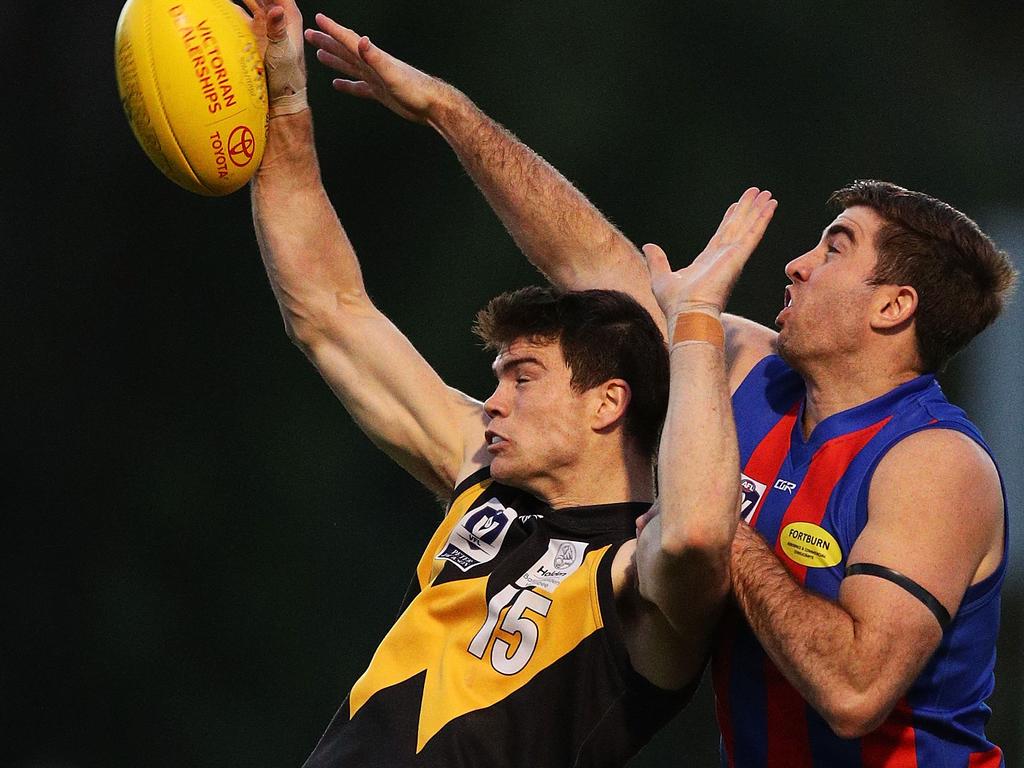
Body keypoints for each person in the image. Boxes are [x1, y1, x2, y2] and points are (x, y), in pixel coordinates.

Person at [305, 15, 1018, 767]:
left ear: (893, 307)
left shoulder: (934, 464)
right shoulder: (753, 377)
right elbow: (587, 257)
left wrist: (710, 522)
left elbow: (852, 691)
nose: (797, 265)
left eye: (834, 248)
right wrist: (448, 112)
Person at [242, 1, 778, 765]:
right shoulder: (484, 482)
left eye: (523, 379)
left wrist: (694, 316)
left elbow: (696, 533)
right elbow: (329, 313)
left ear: (608, 402)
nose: (491, 401)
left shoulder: (638, 574)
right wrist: (285, 102)